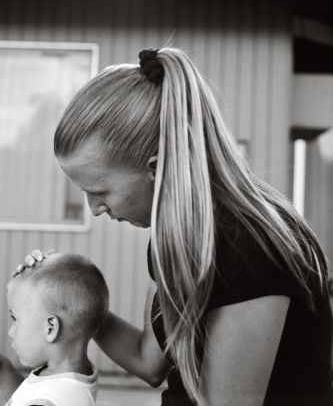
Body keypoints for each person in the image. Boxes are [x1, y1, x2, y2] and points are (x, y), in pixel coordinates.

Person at [53, 47, 333, 406]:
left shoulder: (245, 243)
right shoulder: (175, 236)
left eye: (99, 190)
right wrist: (70, 301)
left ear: (156, 167)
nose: (93, 209)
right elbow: (148, 361)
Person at [0, 250, 109, 406]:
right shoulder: (66, 376)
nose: (11, 332)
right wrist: (1, 366)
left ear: (50, 328)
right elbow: (28, 398)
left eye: (15, 319)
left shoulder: (56, 398)